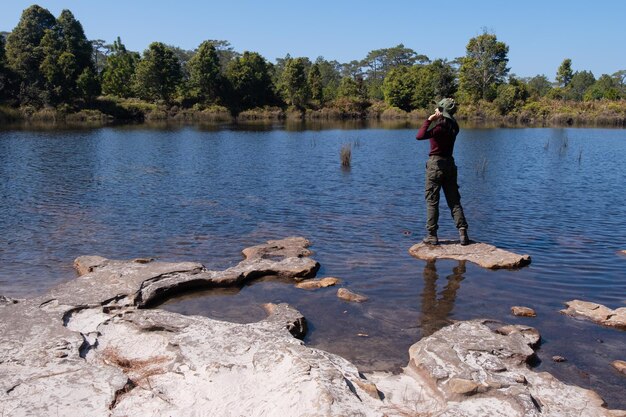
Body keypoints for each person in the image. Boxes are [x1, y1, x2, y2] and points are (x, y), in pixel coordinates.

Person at [416, 98, 470, 245]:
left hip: (435, 165)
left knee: (432, 201)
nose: (435, 110)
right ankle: (463, 232)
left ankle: (432, 235)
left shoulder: (438, 128)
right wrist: (440, 116)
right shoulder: (454, 127)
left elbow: (419, 136)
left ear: (441, 112)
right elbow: (448, 122)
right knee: (454, 200)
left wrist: (429, 119)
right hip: (450, 165)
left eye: (438, 108)